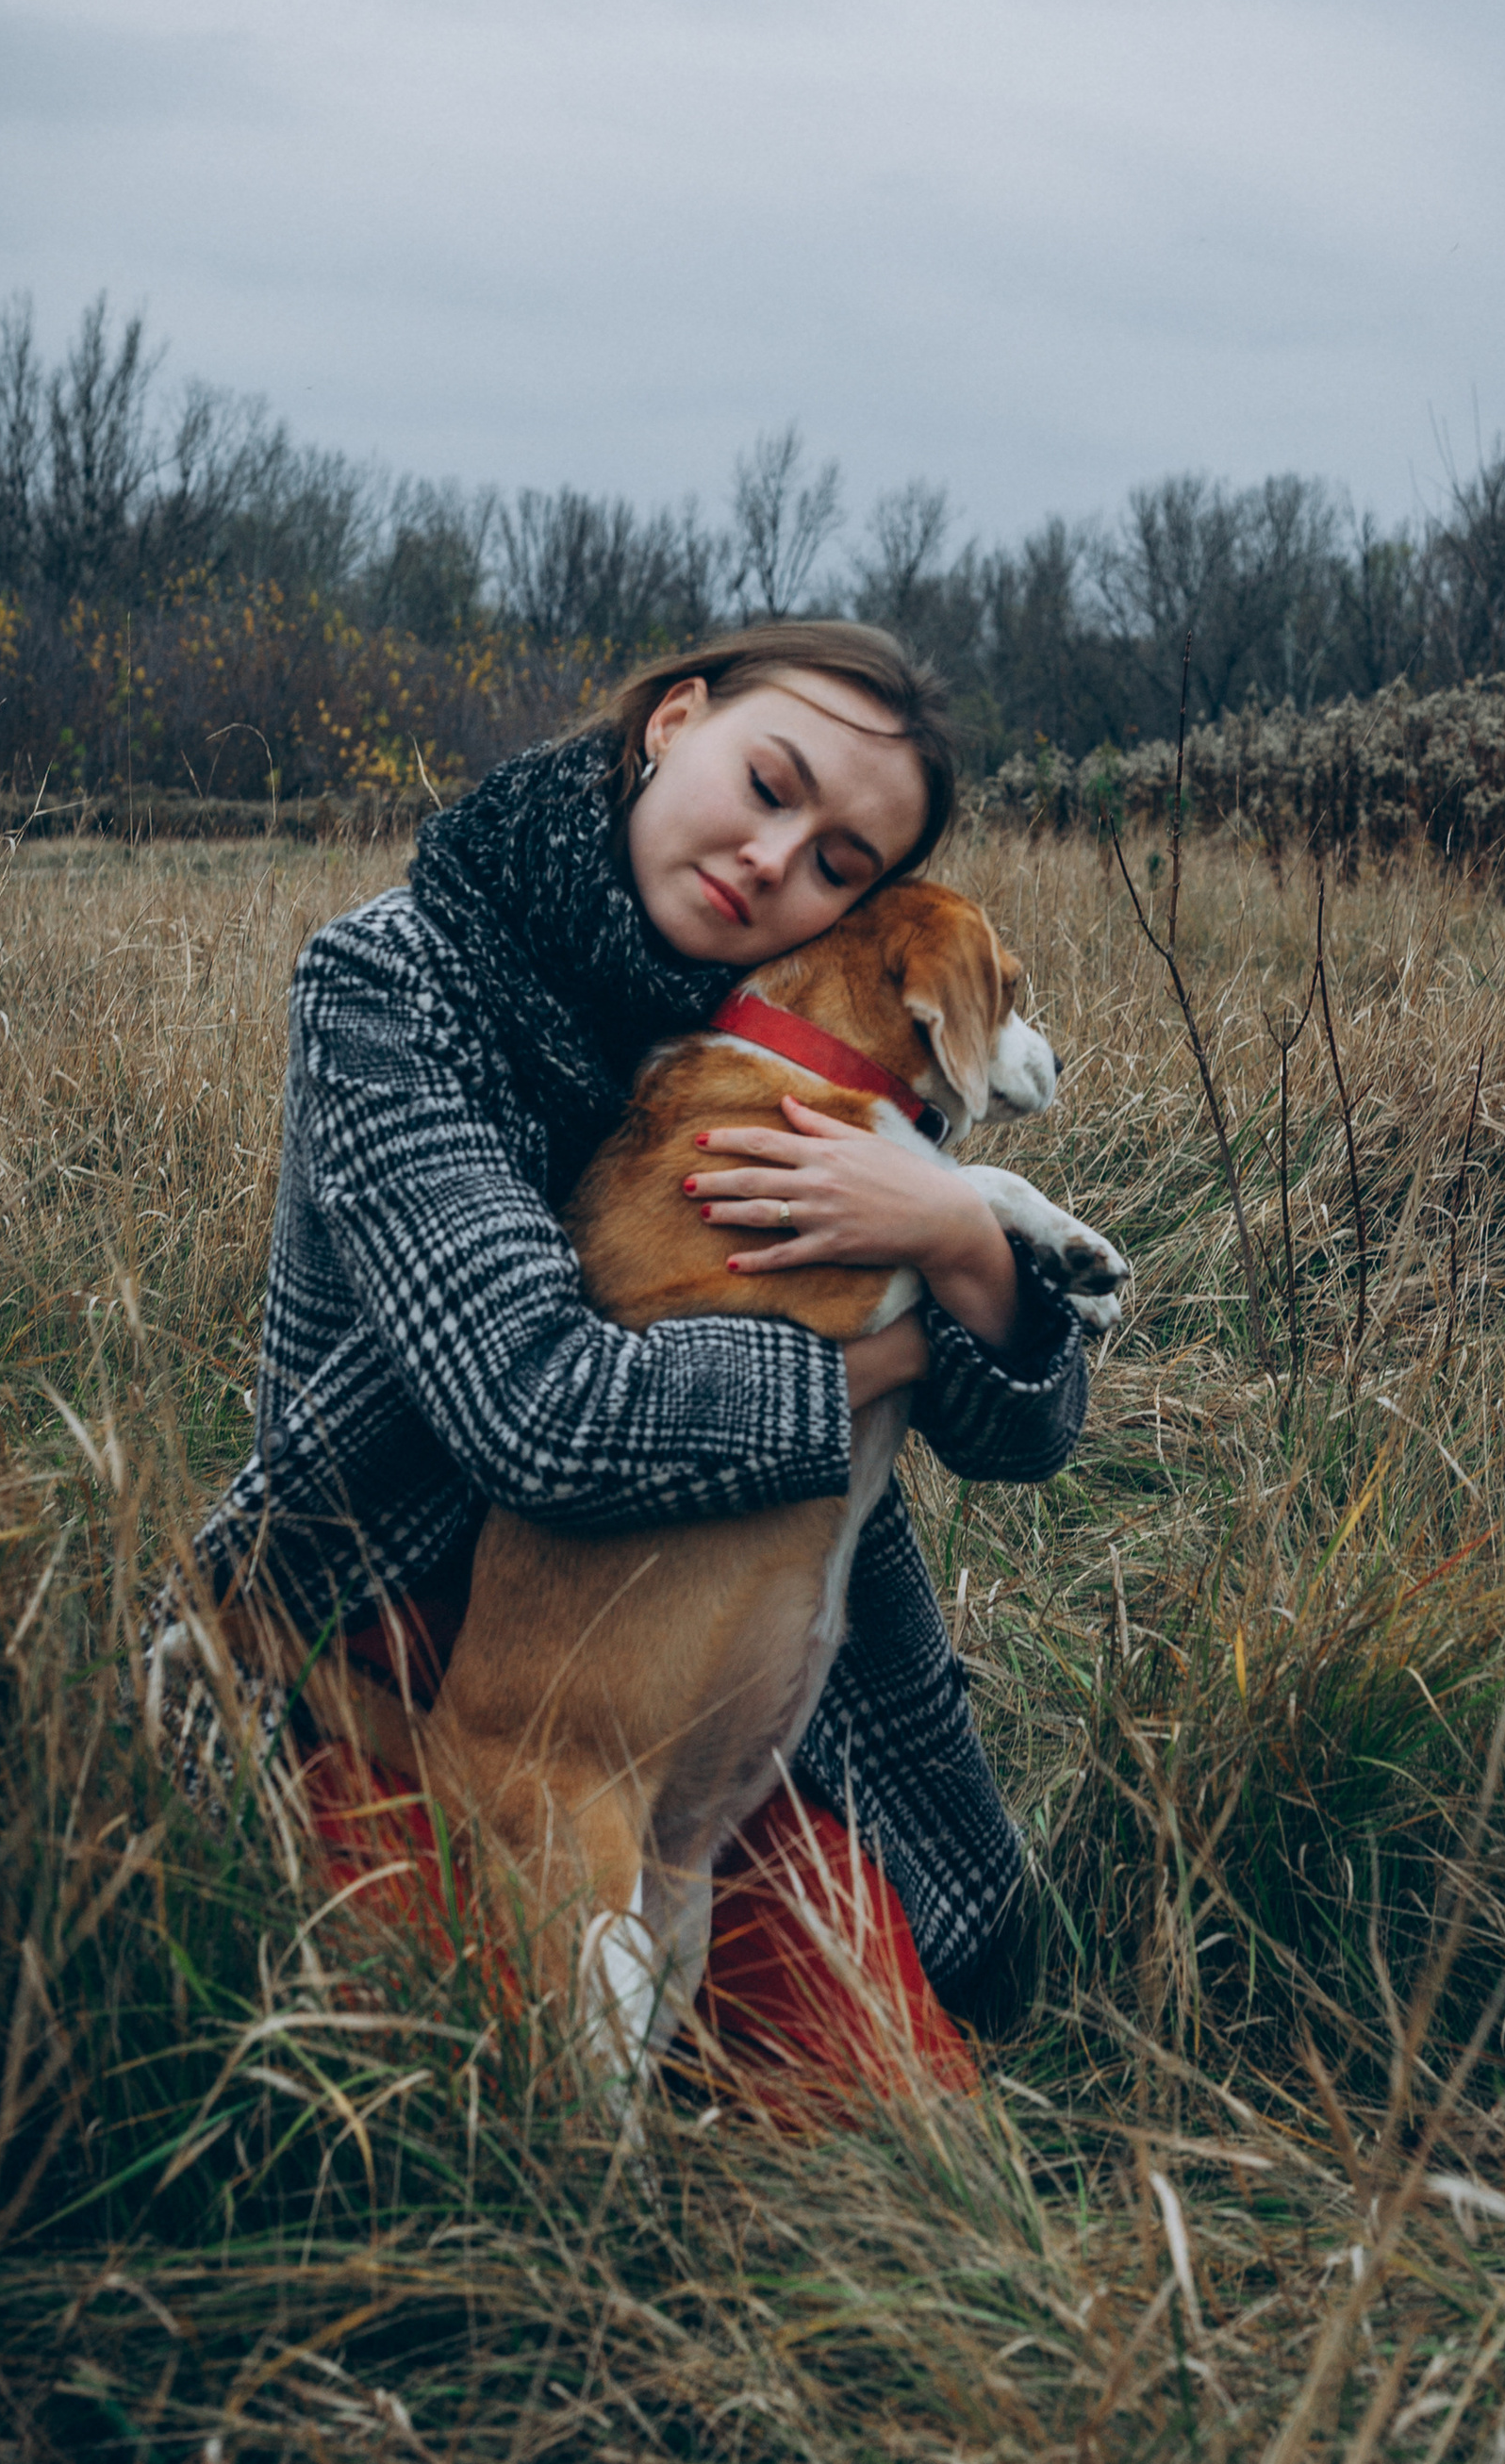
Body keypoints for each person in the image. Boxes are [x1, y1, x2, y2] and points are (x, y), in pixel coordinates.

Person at [171, 619, 1091, 2092]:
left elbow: (1029, 1439)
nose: (776, 860)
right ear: (674, 721)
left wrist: (956, 1231)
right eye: (769, 781)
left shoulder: (809, 1042)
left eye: (842, 864)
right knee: (467, 2096)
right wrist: (897, 1348)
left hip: (709, 1649)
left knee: (885, 2136)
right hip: (407, 1637)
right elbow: (538, 1412)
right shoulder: (398, 979)